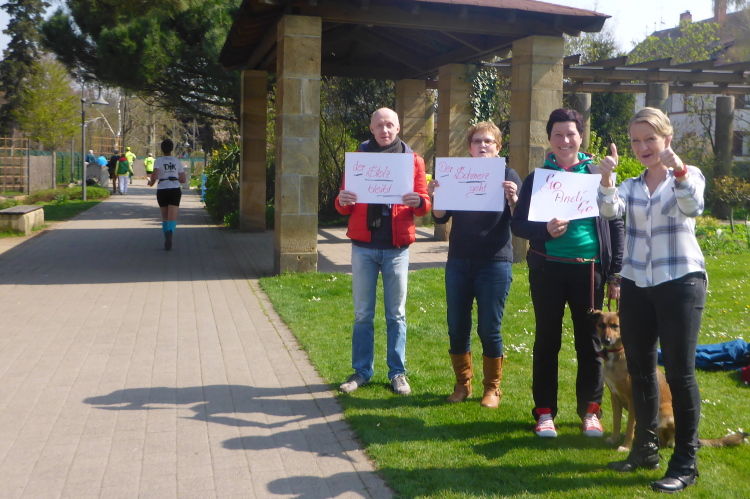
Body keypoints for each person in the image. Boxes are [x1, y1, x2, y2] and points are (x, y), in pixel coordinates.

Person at [597, 107, 706, 493]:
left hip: (681, 283)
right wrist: (607, 178)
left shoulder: (690, 175)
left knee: (678, 373)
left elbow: (693, 207)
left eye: (650, 139)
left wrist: (679, 171)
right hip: (636, 284)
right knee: (641, 371)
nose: (642, 147)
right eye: (635, 141)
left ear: (667, 139)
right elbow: (609, 210)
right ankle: (644, 450)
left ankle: (685, 463)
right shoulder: (630, 185)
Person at [511, 108, 624, 438]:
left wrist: (615, 274)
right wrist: (544, 230)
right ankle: (545, 413)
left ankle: (590, 411)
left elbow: (615, 223)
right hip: (547, 268)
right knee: (547, 341)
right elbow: (518, 225)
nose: (564, 140)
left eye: (571, 134)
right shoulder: (538, 178)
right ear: (549, 138)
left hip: (589, 270)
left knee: (590, 343)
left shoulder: (597, 174)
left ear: (581, 137)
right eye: (558, 134)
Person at [334, 108, 431, 396]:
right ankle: (361, 371)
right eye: (379, 125)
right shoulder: (358, 159)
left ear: (398, 128)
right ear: (371, 128)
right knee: (363, 314)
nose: (385, 130)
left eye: (390, 125)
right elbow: (343, 205)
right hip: (363, 247)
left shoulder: (413, 161)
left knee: (396, 314)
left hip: (396, 249)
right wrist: (342, 200)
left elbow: (424, 204)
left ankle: (397, 373)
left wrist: (418, 202)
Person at [428, 121, 521, 408]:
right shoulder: (456, 174)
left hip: (494, 263)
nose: (482, 146)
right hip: (459, 261)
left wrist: (513, 199)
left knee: (489, 327)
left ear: (498, 147)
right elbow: (440, 217)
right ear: (469, 147)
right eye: (477, 141)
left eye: (488, 141)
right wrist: (436, 196)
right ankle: (462, 384)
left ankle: (493, 388)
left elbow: (519, 221)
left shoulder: (508, 175)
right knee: (457, 325)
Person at [148, 139, 186, 251]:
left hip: (162, 189)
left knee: (165, 216)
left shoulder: (158, 161)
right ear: (172, 149)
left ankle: (167, 237)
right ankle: (170, 233)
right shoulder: (177, 161)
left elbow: (154, 176)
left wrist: (151, 183)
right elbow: (183, 179)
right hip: (175, 189)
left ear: (162, 149)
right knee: (172, 217)